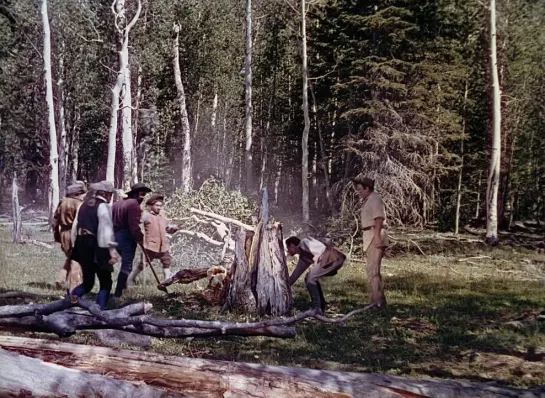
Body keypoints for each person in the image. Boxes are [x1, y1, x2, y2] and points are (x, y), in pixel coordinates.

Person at [71, 181, 119, 310]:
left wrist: (75, 245)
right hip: (97, 248)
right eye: (110, 194)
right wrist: (112, 251)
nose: (110, 197)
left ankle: (69, 303)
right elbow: (106, 231)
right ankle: (100, 311)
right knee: (106, 283)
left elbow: (75, 227)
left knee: (87, 283)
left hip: (82, 246)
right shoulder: (103, 206)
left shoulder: (83, 205)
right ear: (105, 194)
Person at [353, 176, 389, 308]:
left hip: (375, 235)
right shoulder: (369, 200)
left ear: (367, 188)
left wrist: (378, 237)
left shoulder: (375, 199)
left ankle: (377, 303)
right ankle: (376, 301)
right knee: (371, 270)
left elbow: (379, 219)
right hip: (370, 235)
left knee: (373, 271)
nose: (359, 192)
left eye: (360, 189)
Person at [286, 236, 346, 314]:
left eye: (288, 248)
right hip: (332, 260)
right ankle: (321, 306)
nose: (287, 251)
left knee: (311, 278)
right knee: (308, 278)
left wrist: (316, 262)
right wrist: (285, 285)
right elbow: (295, 275)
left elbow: (321, 248)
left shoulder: (304, 243)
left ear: (292, 245)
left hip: (334, 258)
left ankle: (316, 309)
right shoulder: (303, 257)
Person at [127, 194, 179, 285]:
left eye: (160, 206)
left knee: (166, 261)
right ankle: (130, 279)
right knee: (143, 264)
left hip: (162, 245)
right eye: (157, 205)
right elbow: (136, 225)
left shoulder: (162, 215)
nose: (159, 208)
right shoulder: (146, 215)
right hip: (150, 245)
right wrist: (138, 237)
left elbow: (166, 228)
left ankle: (167, 280)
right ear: (151, 206)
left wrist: (172, 228)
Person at [112, 182, 152, 297]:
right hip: (126, 237)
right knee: (127, 265)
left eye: (145, 195)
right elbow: (134, 226)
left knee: (118, 263)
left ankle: (117, 289)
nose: (143, 197)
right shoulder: (133, 204)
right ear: (134, 194)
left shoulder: (116, 204)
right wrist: (140, 238)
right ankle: (118, 294)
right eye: (142, 194)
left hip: (114, 236)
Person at [52, 181, 87, 293]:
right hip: (74, 233)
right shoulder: (79, 204)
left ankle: (60, 279)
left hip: (63, 233)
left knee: (71, 256)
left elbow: (54, 222)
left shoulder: (62, 203)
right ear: (78, 194)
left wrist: (57, 235)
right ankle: (74, 289)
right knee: (77, 261)